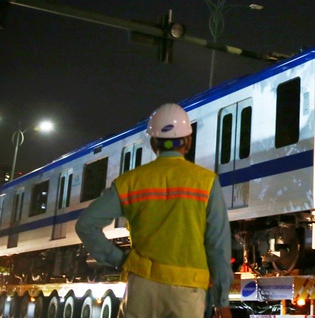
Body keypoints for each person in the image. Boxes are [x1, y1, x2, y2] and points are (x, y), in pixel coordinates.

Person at [76, 103, 234, 318]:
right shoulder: (206, 182)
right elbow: (218, 246)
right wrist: (221, 301)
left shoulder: (130, 182)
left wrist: (120, 260)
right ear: (187, 141)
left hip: (141, 287)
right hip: (188, 292)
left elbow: (86, 224)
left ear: (153, 142)